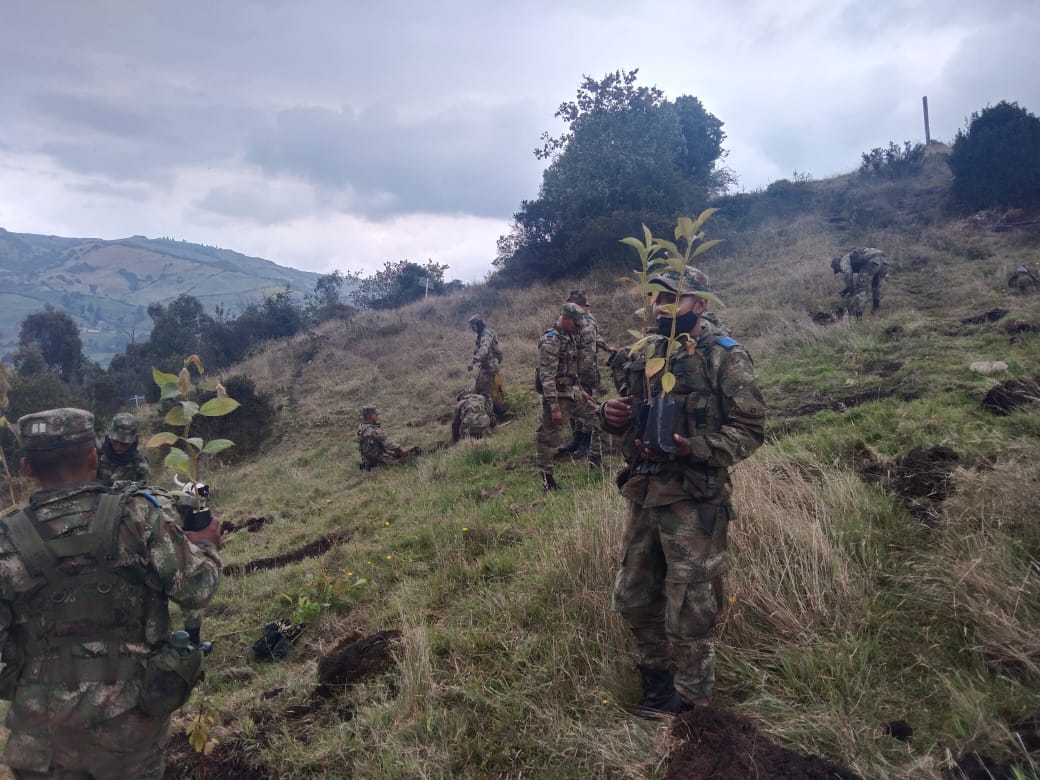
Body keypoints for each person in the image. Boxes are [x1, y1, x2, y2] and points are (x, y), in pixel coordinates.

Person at [0, 407, 221, 779]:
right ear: (94, 456)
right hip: (129, 731)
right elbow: (197, 590)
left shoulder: (5, 541)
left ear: (27, 469)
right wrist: (206, 545)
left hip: (41, 740)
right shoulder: (138, 515)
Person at [600, 266, 765, 716]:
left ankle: (694, 710)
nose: (659, 306)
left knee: (690, 609)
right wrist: (611, 415)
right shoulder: (645, 355)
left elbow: (750, 429)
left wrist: (696, 447)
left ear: (700, 304)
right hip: (644, 492)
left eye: (672, 298)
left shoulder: (724, 356)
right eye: (655, 297)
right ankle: (657, 691)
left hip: (694, 499)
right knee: (634, 597)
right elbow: (629, 418)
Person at [535, 303, 604, 490]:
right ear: (565, 319)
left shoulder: (569, 336)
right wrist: (554, 407)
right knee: (549, 437)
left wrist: (581, 390)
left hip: (573, 392)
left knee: (599, 417)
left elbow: (571, 370)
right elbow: (546, 377)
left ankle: (595, 460)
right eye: (576, 324)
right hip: (557, 396)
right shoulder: (551, 341)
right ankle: (547, 479)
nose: (579, 327)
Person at [556, 290, 615, 459]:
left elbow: (592, 344)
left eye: (572, 302)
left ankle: (587, 443)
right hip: (574, 369)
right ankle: (577, 439)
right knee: (576, 406)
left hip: (587, 371)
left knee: (589, 405)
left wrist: (605, 347)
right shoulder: (571, 318)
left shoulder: (588, 320)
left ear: (580, 303)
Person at [466, 315, 507, 420]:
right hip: (487, 367)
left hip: (490, 368)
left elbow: (484, 350)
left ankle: (491, 418)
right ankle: (500, 412)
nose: (472, 329)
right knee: (481, 389)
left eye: (473, 326)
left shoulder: (485, 334)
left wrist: (473, 361)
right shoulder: (482, 334)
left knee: (485, 393)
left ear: (478, 324)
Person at [831, 247, 889, 317]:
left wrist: (850, 289)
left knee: (861, 289)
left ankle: (857, 315)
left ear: (837, 264)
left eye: (838, 270)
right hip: (884, 261)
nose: (840, 271)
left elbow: (848, 274)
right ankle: (875, 309)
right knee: (875, 286)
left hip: (872, 259)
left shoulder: (843, 261)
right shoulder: (852, 258)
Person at [96, 412, 151, 485]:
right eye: (114, 441)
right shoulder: (95, 454)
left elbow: (144, 493)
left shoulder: (140, 466)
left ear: (134, 440)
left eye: (124, 444)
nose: (118, 447)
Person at [357, 405, 407, 470]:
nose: (377, 416)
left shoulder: (361, 426)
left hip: (366, 457)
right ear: (371, 415)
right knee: (400, 463)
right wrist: (400, 449)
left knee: (393, 454)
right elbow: (387, 443)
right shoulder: (372, 429)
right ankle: (376, 466)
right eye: (376, 414)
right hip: (376, 458)